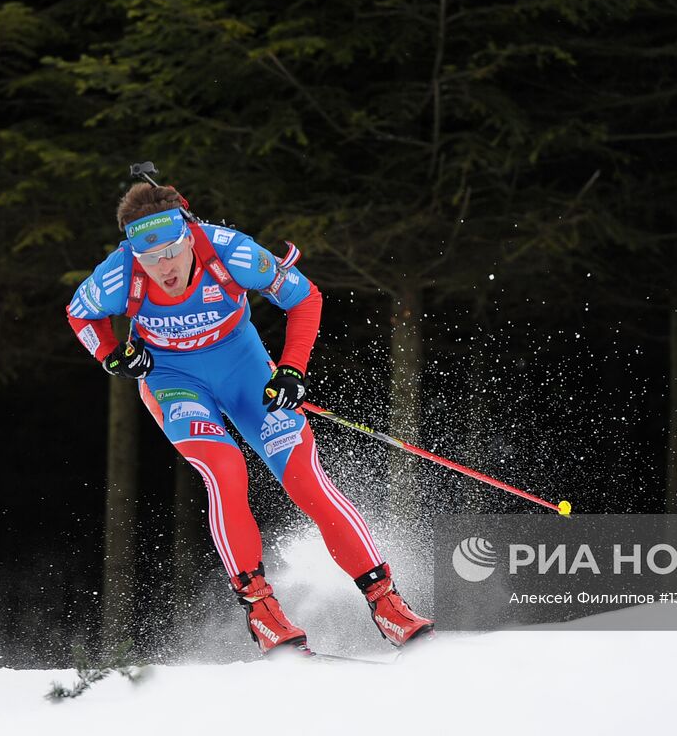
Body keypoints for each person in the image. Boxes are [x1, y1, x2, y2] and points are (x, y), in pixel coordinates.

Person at [65, 182, 433, 654]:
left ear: (188, 233)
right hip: (174, 383)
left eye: (174, 250)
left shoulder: (230, 252)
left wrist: (293, 369)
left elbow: (304, 298)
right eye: (148, 255)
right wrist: (113, 356)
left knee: (304, 478)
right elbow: (81, 315)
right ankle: (261, 612)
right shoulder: (118, 275)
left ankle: (387, 605)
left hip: (245, 373)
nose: (165, 267)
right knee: (224, 469)